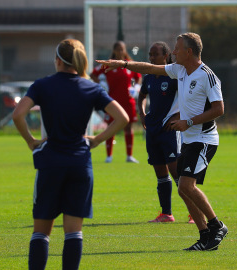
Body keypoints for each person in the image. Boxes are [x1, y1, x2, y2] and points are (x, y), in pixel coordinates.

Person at [96, 32, 228, 251]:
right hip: (189, 139)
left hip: (204, 139)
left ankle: (216, 226)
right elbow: (148, 69)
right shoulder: (179, 70)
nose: (173, 53)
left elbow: (219, 109)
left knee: (185, 185)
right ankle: (205, 235)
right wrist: (122, 63)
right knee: (183, 189)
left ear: (189, 52)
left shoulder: (207, 75)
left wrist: (189, 121)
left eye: (176, 49)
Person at [12, 39, 129, 270]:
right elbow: (123, 118)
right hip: (80, 164)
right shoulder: (91, 88)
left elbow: (18, 115)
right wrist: (96, 140)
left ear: (58, 60)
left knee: (41, 233)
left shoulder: (43, 85)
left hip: (50, 164)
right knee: (74, 232)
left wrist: (30, 141)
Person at [138, 41, 196, 224]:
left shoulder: (174, 75)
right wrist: (142, 114)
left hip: (169, 130)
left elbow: (189, 97)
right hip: (152, 129)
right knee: (160, 173)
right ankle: (166, 214)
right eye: (150, 54)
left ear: (166, 56)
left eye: (156, 54)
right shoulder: (148, 77)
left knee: (176, 173)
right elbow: (141, 96)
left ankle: (194, 213)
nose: (152, 58)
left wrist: (178, 116)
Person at [90, 41, 142, 163]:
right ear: (113, 51)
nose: (120, 52)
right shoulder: (109, 64)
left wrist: (136, 87)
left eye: (122, 49)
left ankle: (129, 156)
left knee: (128, 128)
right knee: (110, 128)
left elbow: (138, 77)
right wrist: (101, 83)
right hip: (112, 102)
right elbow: (93, 74)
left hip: (128, 101)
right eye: (118, 49)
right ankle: (109, 156)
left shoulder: (130, 64)